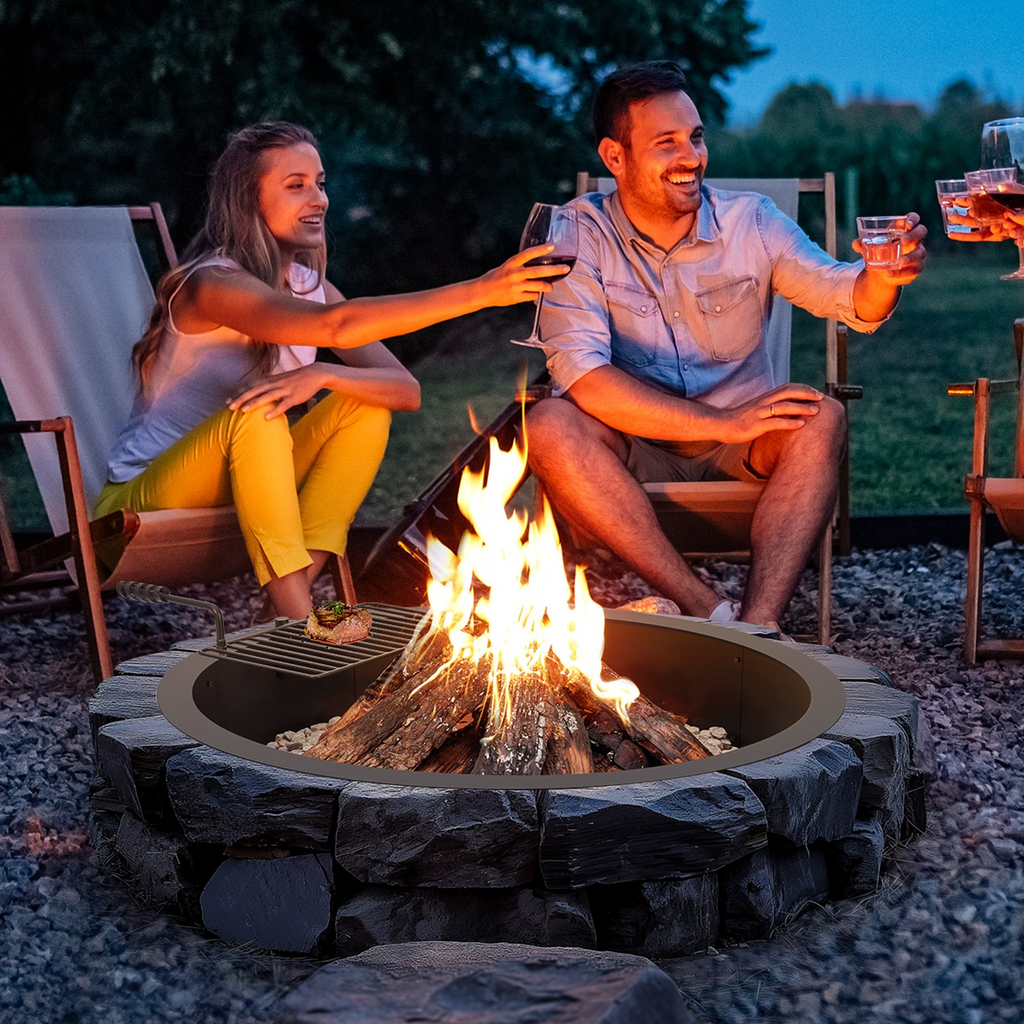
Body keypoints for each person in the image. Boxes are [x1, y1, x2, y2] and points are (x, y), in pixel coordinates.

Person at [95, 121, 567, 620]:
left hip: (240, 485)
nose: (318, 198)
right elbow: (336, 327)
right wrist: (480, 292)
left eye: (320, 183)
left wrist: (325, 376)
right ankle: (304, 628)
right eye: (295, 185)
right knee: (259, 414)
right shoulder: (211, 285)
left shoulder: (308, 285)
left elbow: (405, 390)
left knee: (364, 408)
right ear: (248, 201)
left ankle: (289, 609)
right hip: (145, 503)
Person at [526, 62, 927, 633]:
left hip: (743, 455)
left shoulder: (751, 222)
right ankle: (704, 608)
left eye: (696, 137)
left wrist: (885, 276)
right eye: (667, 143)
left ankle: (758, 630)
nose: (692, 157)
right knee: (548, 424)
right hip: (631, 447)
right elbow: (587, 380)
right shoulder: (576, 235)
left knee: (822, 417)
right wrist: (725, 421)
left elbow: (847, 295)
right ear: (614, 157)